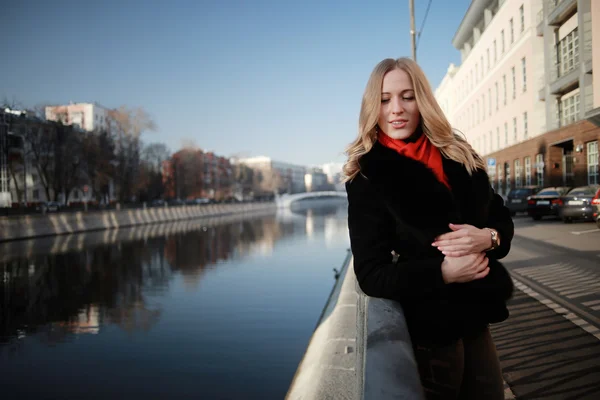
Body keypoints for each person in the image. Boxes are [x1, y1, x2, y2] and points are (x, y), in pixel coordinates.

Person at [344, 57, 514, 400]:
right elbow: (370, 274)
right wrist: (444, 273)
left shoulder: (457, 154)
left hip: (477, 321)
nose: (397, 109)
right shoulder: (367, 177)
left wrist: (489, 237)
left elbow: (502, 220)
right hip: (427, 333)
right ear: (372, 108)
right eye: (385, 99)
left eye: (407, 96)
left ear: (422, 101)